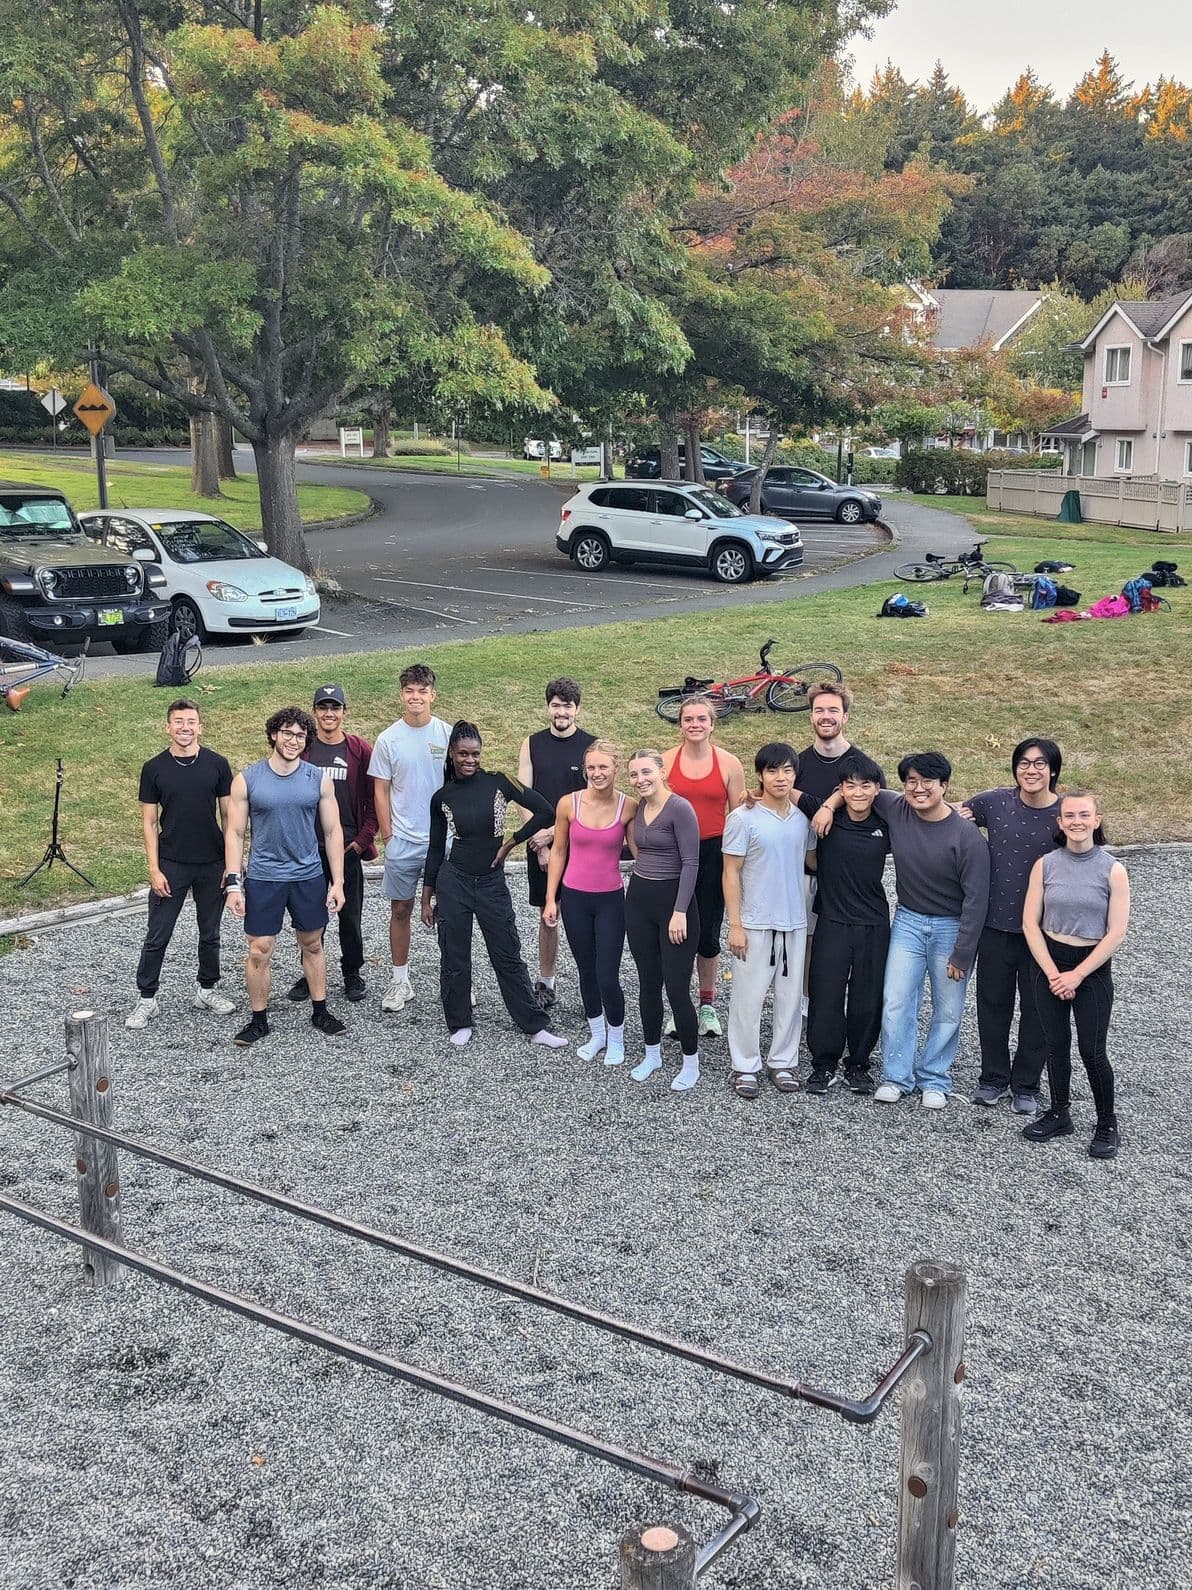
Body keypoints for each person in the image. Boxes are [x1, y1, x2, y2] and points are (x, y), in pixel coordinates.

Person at [815, 751, 989, 1108]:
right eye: (911, 781)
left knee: (948, 1009)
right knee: (895, 1001)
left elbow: (977, 899)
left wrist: (963, 951)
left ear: (944, 786)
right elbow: (857, 789)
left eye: (928, 782)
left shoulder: (966, 836)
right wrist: (829, 806)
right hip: (908, 921)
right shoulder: (896, 807)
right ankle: (897, 1076)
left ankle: (935, 1078)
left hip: (951, 926)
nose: (919, 788)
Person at [420, 721, 568, 1049]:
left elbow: (545, 811)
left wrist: (512, 841)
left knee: (507, 954)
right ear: (452, 754)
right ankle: (459, 1021)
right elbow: (435, 849)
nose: (470, 760)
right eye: (463, 754)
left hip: (491, 883)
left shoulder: (499, 782)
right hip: (454, 882)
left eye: (475, 754)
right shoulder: (442, 797)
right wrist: (426, 898)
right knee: (454, 956)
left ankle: (534, 1025)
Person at [224, 708, 347, 1047]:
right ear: (274, 735)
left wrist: (337, 882)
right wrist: (233, 883)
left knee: (313, 944)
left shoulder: (317, 778)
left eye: (300, 736)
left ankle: (320, 1011)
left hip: (307, 875)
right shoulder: (247, 779)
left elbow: (333, 831)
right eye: (288, 734)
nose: (294, 741)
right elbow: (235, 833)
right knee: (259, 949)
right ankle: (258, 1019)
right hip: (265, 877)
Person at [957, 738, 1062, 1116]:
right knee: (993, 1006)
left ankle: (1027, 1084)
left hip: (1046, 932)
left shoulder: (1065, 813)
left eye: (1039, 764)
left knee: (1038, 1010)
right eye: (1023, 763)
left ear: (1053, 770)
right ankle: (993, 1078)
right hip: (996, 925)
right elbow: (955, 814)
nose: (1031, 770)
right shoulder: (995, 802)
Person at [1021, 791, 1129, 1159]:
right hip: (1049, 963)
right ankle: (1059, 1113)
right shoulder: (1045, 865)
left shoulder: (1113, 870)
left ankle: (1106, 1122)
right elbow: (1030, 923)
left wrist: (1078, 975)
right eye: (1069, 815)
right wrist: (1053, 972)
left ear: (1096, 821)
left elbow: (1116, 932)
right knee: (1055, 1044)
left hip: (1091, 969)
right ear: (1060, 822)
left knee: (1092, 1050)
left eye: (1084, 815)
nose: (1076, 821)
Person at [126, 698, 236, 1030]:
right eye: (178, 721)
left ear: (200, 727)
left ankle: (207, 989)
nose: (184, 727)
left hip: (212, 863)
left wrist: (232, 865)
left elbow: (230, 818)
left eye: (190, 721)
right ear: (168, 727)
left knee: (210, 932)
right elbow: (149, 823)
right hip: (171, 863)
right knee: (158, 934)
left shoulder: (217, 765)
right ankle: (147, 998)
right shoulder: (154, 768)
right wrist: (154, 869)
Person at [721, 743, 814, 1099]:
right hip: (755, 922)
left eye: (787, 770)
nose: (780, 777)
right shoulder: (743, 818)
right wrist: (736, 924)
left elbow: (812, 860)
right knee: (749, 997)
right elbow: (731, 871)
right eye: (772, 770)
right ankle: (744, 1065)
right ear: (760, 775)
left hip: (793, 920)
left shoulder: (802, 819)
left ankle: (783, 1061)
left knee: (790, 998)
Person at [802, 752, 891, 1097]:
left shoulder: (887, 822)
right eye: (850, 786)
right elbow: (787, 792)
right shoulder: (826, 817)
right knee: (825, 994)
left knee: (867, 998)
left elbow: (922, 807)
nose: (858, 792)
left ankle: (858, 1064)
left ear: (877, 789)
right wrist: (828, 805)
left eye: (865, 786)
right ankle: (823, 1064)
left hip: (873, 922)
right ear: (840, 789)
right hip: (833, 920)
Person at [542, 741, 635, 1065]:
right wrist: (551, 898)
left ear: (615, 768)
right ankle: (597, 1034)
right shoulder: (568, 804)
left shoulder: (629, 807)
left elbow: (641, 852)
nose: (597, 773)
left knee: (607, 974)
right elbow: (558, 851)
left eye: (603, 767)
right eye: (591, 767)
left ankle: (616, 1038)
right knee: (586, 971)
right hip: (575, 898)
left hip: (610, 900)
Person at [796, 682, 885, 1016]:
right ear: (810, 716)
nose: (826, 716)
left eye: (833, 710)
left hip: (847, 880)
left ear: (845, 716)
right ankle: (807, 1005)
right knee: (806, 941)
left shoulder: (864, 767)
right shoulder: (798, 764)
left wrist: (830, 805)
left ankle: (842, 1007)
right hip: (804, 870)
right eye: (819, 710)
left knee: (840, 949)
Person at [286, 683, 377, 1005]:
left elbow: (374, 801)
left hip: (347, 848)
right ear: (314, 712)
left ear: (344, 712)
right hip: (309, 850)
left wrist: (362, 841)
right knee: (310, 916)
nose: (329, 713)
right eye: (323, 707)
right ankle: (309, 971)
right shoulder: (304, 750)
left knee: (350, 917)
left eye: (335, 707)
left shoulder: (359, 750)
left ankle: (352, 972)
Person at [369, 663, 451, 1014]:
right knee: (401, 909)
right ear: (401, 695)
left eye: (422, 691)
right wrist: (388, 836)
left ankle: (455, 980)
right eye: (409, 691)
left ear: (433, 695)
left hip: (443, 841)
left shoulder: (447, 734)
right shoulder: (388, 739)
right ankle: (400, 980)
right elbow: (380, 790)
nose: (415, 697)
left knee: (450, 912)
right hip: (403, 839)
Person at [661, 696, 745, 1036]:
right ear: (680, 724)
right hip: (674, 853)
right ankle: (678, 1006)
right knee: (675, 931)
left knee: (708, 932)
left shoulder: (729, 763)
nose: (695, 724)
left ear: (712, 724)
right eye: (688, 719)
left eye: (701, 719)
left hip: (713, 853)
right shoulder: (665, 762)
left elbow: (739, 817)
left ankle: (707, 1005)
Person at [624, 750, 701, 1091]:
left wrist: (680, 910)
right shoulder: (639, 806)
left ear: (661, 771)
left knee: (676, 987)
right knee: (648, 983)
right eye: (634, 774)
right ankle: (652, 1053)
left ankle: (690, 1061)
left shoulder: (680, 808)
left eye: (646, 772)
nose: (640, 780)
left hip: (674, 904)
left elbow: (691, 862)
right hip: (640, 901)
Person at [517, 678, 596, 1009]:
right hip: (540, 845)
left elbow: (594, 801)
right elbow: (522, 796)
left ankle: (592, 984)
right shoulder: (531, 744)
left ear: (577, 709)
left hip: (581, 845)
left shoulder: (591, 746)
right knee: (548, 915)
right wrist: (541, 843)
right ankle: (546, 983)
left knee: (584, 917)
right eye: (555, 705)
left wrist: (554, 834)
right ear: (548, 707)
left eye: (567, 706)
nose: (561, 712)